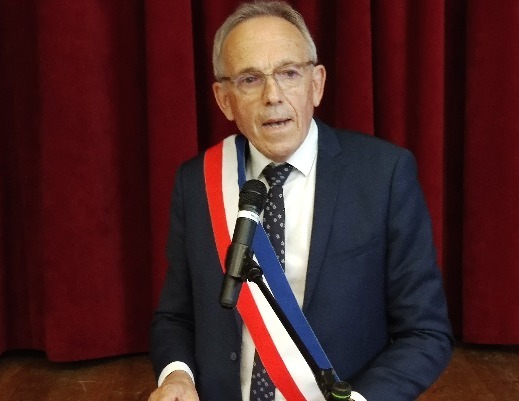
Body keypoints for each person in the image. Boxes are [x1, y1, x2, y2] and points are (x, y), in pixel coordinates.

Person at [148, 2, 454, 401]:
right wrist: (177, 376)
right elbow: (175, 317)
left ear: (317, 84)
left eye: (289, 73)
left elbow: (426, 332)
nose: (273, 96)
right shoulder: (196, 182)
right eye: (250, 79)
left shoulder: (384, 175)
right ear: (224, 100)